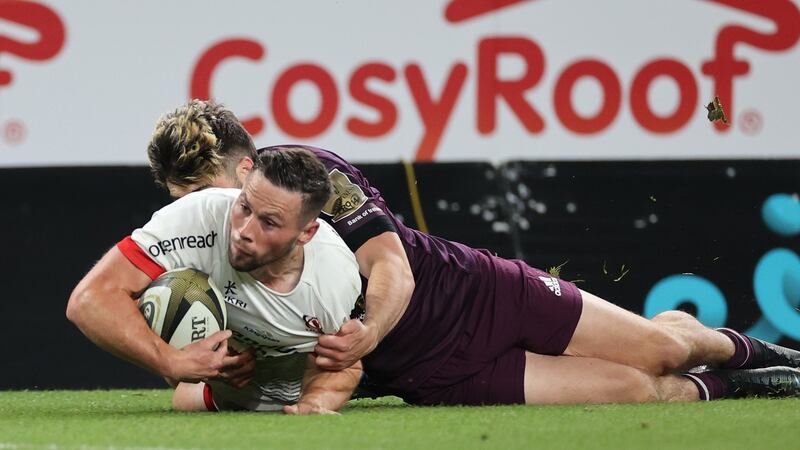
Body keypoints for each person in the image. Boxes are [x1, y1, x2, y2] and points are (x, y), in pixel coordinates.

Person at [146, 99, 800, 406]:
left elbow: (390, 266)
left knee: (665, 349)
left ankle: (766, 354)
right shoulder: (208, 249)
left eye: (208, 192)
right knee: (635, 389)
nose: (208, 216)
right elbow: (201, 384)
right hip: (433, 375)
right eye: (185, 202)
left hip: (478, 295)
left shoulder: (311, 177)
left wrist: (367, 332)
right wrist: (205, 367)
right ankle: (745, 389)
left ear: (246, 163)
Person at [67, 148, 364, 414]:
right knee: (184, 384)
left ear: (306, 234)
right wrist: (171, 361)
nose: (243, 231)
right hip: (221, 393)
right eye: (244, 207)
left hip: (292, 385)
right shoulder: (198, 216)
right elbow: (89, 299)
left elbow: (346, 364)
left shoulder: (333, 278)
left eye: (269, 223)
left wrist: (314, 404)